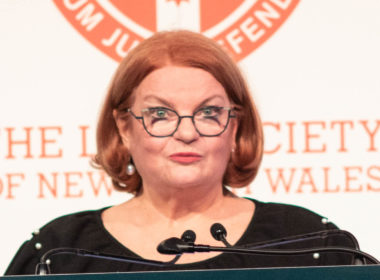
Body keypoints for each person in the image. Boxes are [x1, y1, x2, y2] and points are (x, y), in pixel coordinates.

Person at [5, 30, 358, 275]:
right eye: (160, 114)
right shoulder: (58, 253)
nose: (187, 133)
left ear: (234, 126)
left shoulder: (310, 243)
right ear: (124, 128)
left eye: (209, 113)